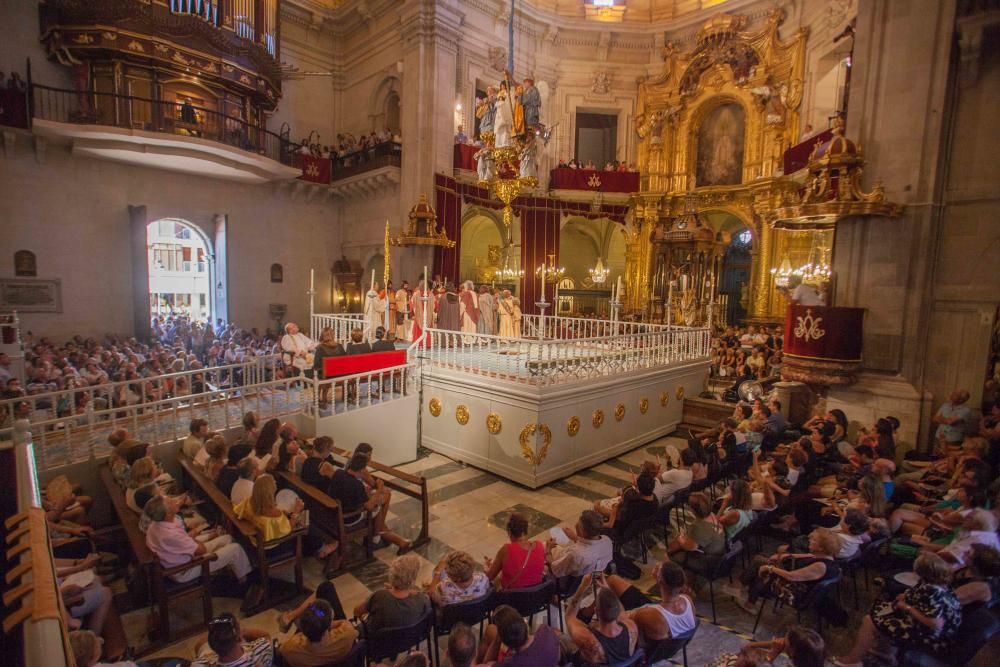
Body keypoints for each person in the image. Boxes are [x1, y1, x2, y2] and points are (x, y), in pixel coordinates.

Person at [833, 553, 962, 667]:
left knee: (869, 620)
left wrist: (907, 607)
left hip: (931, 636)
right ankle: (885, 653)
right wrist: (906, 596)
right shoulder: (940, 583)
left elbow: (936, 624)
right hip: (928, 627)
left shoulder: (932, 590)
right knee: (880, 609)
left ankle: (853, 660)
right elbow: (919, 596)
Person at [144, 495, 253, 584]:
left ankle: (232, 569)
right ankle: (244, 582)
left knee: (227, 538)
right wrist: (202, 536)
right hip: (184, 570)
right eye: (171, 501)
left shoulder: (154, 524)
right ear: (167, 513)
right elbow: (201, 550)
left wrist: (203, 536)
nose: (174, 500)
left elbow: (186, 540)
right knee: (235, 548)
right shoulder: (171, 535)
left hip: (178, 558)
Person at [329, 451, 413, 552]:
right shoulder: (356, 484)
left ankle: (381, 532)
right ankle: (375, 538)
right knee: (377, 507)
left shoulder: (339, 473)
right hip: (349, 519)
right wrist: (379, 489)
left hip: (334, 512)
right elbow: (369, 506)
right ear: (362, 469)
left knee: (376, 504)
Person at [604, 559, 697, 648]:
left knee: (606, 602)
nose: (656, 566)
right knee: (613, 580)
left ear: (660, 580)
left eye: (658, 569)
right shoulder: (687, 599)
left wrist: (609, 595)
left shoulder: (649, 614)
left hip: (646, 637)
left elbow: (622, 620)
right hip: (658, 618)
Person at [564, 581, 639, 666]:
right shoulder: (632, 627)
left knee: (558, 635)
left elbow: (569, 616)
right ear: (618, 611)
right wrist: (607, 590)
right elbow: (621, 612)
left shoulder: (588, 639)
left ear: (596, 611)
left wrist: (582, 586)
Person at [354, 554, 429, 633]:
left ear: (392, 575)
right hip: (407, 640)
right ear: (413, 578)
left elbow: (357, 611)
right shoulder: (421, 599)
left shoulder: (380, 596)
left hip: (374, 641)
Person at [278, 598, 359, 667]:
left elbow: (281, 651)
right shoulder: (347, 635)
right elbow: (344, 623)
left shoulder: (290, 649)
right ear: (330, 624)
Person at [479, 603, 560, 666]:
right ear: (524, 624)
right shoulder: (547, 632)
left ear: (505, 643)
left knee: (490, 630)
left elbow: (486, 663)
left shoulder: (510, 664)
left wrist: (497, 640)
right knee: (491, 630)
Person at [483, 512, 545, 590]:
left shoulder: (506, 549)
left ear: (509, 532)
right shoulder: (539, 545)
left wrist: (486, 569)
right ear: (526, 531)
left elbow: (490, 577)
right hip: (536, 595)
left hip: (513, 598)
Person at [546, 509, 613, 578]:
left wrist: (548, 549)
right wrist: (575, 538)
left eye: (578, 524)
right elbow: (589, 547)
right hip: (596, 575)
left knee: (543, 546)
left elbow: (555, 570)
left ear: (583, 532)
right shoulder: (607, 540)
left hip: (575, 581)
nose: (575, 525)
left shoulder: (576, 554)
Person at [191, 613, 273, 667]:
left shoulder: (199, 664)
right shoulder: (260, 650)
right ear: (238, 636)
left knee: (201, 643)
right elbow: (265, 635)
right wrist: (242, 631)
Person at [426, 550, 492, 608]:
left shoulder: (443, 587)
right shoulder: (483, 578)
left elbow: (431, 594)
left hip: (453, 618)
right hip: (479, 612)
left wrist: (438, 573)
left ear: (455, 578)